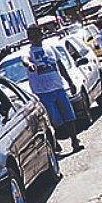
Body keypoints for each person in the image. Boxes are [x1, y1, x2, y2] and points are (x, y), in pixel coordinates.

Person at [23, 25, 82, 154]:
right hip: (42, 92)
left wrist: (70, 82)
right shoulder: (28, 52)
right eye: (32, 37)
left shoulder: (50, 48)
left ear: (42, 35)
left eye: (37, 35)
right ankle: (55, 143)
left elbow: (60, 66)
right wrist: (30, 64)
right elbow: (25, 60)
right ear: (29, 38)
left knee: (69, 116)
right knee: (52, 120)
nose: (36, 39)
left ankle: (75, 141)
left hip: (58, 88)